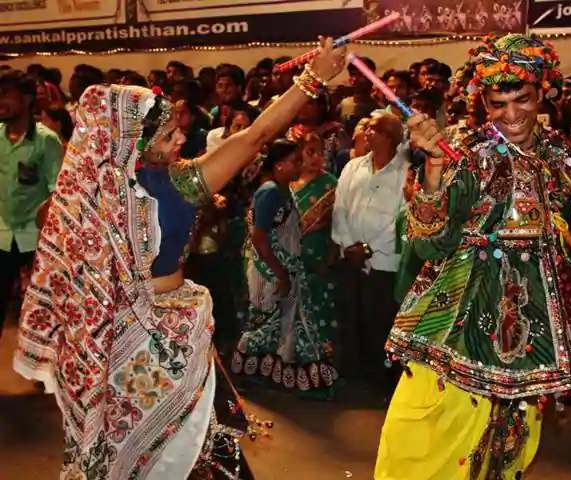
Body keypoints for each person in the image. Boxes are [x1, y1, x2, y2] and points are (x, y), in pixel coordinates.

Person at [14, 37, 347, 479]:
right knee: (169, 447)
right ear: (132, 139)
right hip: (132, 342)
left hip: (145, 336)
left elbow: (257, 137)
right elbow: (256, 138)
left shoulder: (89, 195)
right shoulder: (146, 189)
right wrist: (312, 80)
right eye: (168, 135)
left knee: (166, 444)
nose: (179, 140)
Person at [375, 34, 571, 480]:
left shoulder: (555, 152)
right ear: (484, 103)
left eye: (523, 99)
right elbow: (430, 242)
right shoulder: (471, 157)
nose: (512, 115)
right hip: (465, 307)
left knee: (514, 427)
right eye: (499, 104)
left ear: (544, 94)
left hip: (533, 312)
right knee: (430, 424)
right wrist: (436, 170)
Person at [231, 139, 339, 397]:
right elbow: (259, 237)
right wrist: (280, 274)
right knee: (269, 323)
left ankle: (274, 375)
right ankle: (248, 371)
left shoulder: (280, 190)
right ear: (279, 166)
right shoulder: (270, 192)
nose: (301, 165)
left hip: (282, 268)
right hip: (271, 271)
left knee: (285, 324)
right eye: (296, 161)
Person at [331, 113, 407, 397]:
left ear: (388, 137)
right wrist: (349, 244)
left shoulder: (404, 171)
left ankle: (381, 380)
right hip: (349, 256)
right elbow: (340, 207)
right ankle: (353, 374)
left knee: (380, 319)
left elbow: (401, 217)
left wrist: (368, 248)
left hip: (383, 260)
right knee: (351, 315)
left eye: (372, 128)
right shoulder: (353, 167)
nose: (365, 131)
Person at [0, 71, 63, 341]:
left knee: (44, 310)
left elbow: (58, 194)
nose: (0, 101)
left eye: (6, 95)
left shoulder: (46, 141)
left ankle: (46, 373)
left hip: (35, 239)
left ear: (26, 100)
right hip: (1, 234)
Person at [290, 133, 340, 372]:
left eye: (321, 152)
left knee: (317, 305)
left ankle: (318, 364)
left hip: (318, 254)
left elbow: (338, 224)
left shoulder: (331, 184)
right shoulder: (286, 182)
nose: (317, 157)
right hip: (288, 257)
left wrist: (331, 255)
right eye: (311, 151)